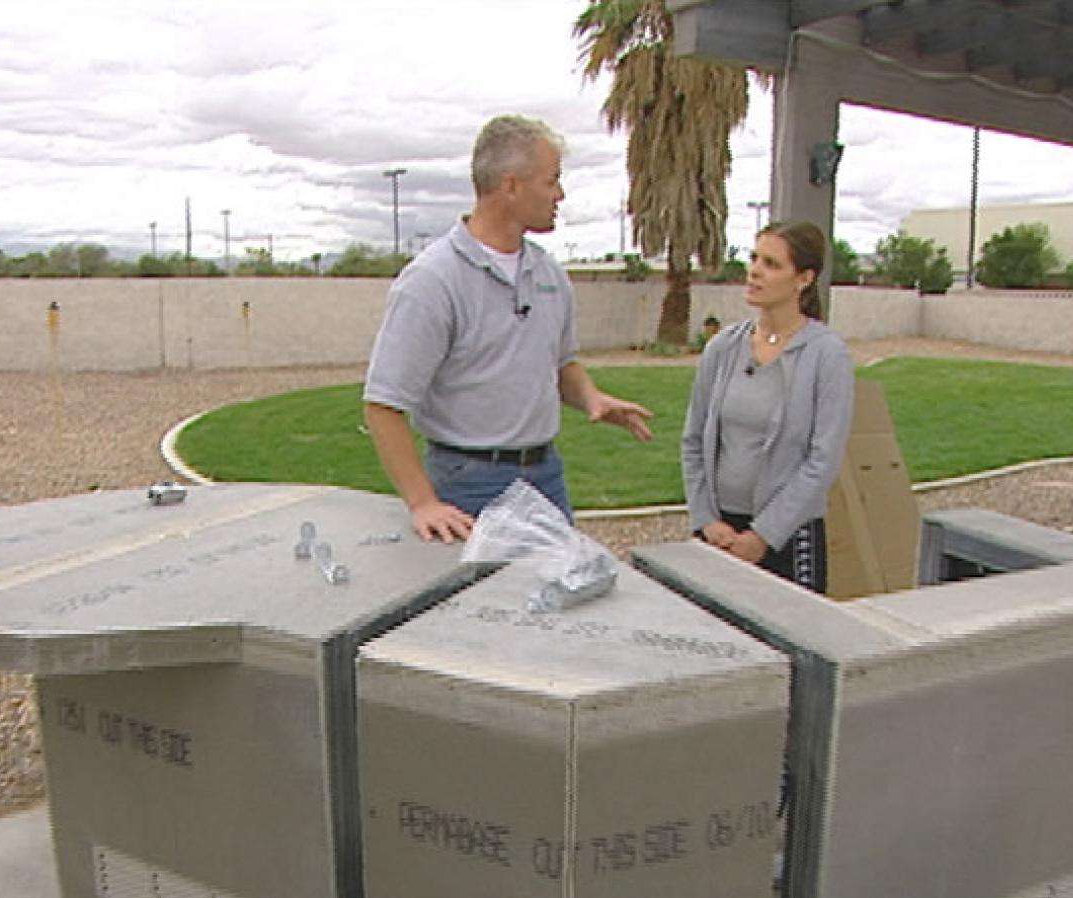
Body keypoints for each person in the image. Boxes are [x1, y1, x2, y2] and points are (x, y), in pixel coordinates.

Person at [363, 115, 653, 543]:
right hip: (468, 484)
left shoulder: (548, 272)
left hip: (546, 477)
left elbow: (560, 363)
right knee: (480, 608)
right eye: (551, 181)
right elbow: (383, 404)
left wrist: (590, 397)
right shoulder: (432, 280)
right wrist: (423, 503)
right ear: (511, 185)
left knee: (561, 600)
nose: (561, 194)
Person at [681, 220, 853, 594]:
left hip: (788, 538)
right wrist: (707, 520)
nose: (755, 271)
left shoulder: (827, 355)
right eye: (755, 258)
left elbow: (822, 461)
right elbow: (693, 440)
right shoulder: (723, 348)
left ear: (803, 279)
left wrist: (762, 536)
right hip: (718, 533)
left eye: (772, 264)